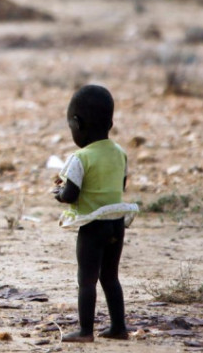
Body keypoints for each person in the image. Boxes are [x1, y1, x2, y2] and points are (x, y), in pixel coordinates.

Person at [52, 84, 139, 343]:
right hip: (116, 224)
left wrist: (57, 194)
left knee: (87, 280)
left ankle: (85, 331)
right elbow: (120, 187)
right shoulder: (119, 153)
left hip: (93, 226)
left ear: (77, 124)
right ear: (110, 122)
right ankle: (118, 327)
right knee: (110, 277)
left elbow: (70, 195)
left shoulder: (80, 158)